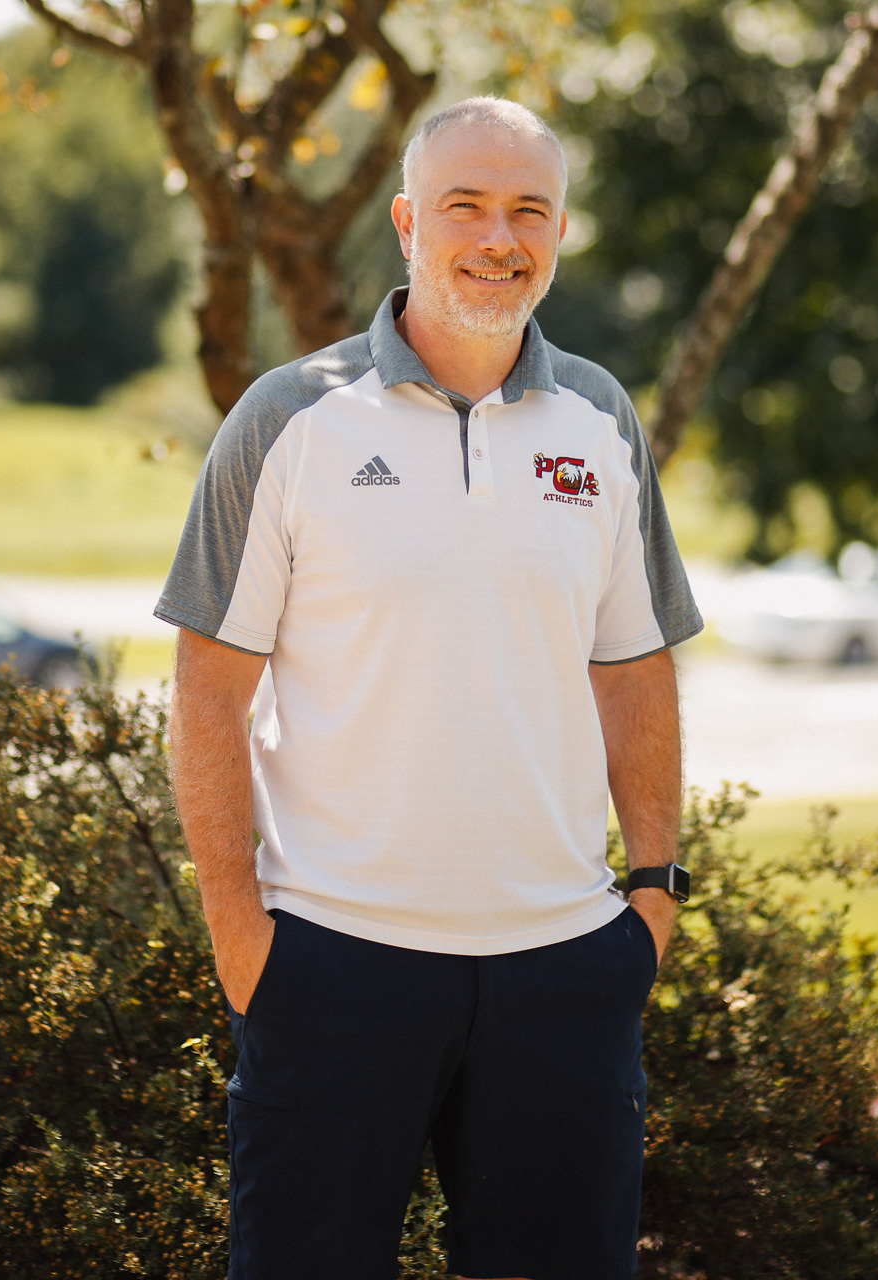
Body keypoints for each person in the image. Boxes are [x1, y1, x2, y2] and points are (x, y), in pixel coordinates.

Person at [158, 95, 702, 1280]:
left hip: (563, 964)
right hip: (334, 962)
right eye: (465, 206)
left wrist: (650, 896)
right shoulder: (288, 419)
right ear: (407, 222)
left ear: (559, 234)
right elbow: (206, 693)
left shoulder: (600, 418)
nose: (497, 238)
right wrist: (240, 937)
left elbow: (634, 662)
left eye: (529, 211)